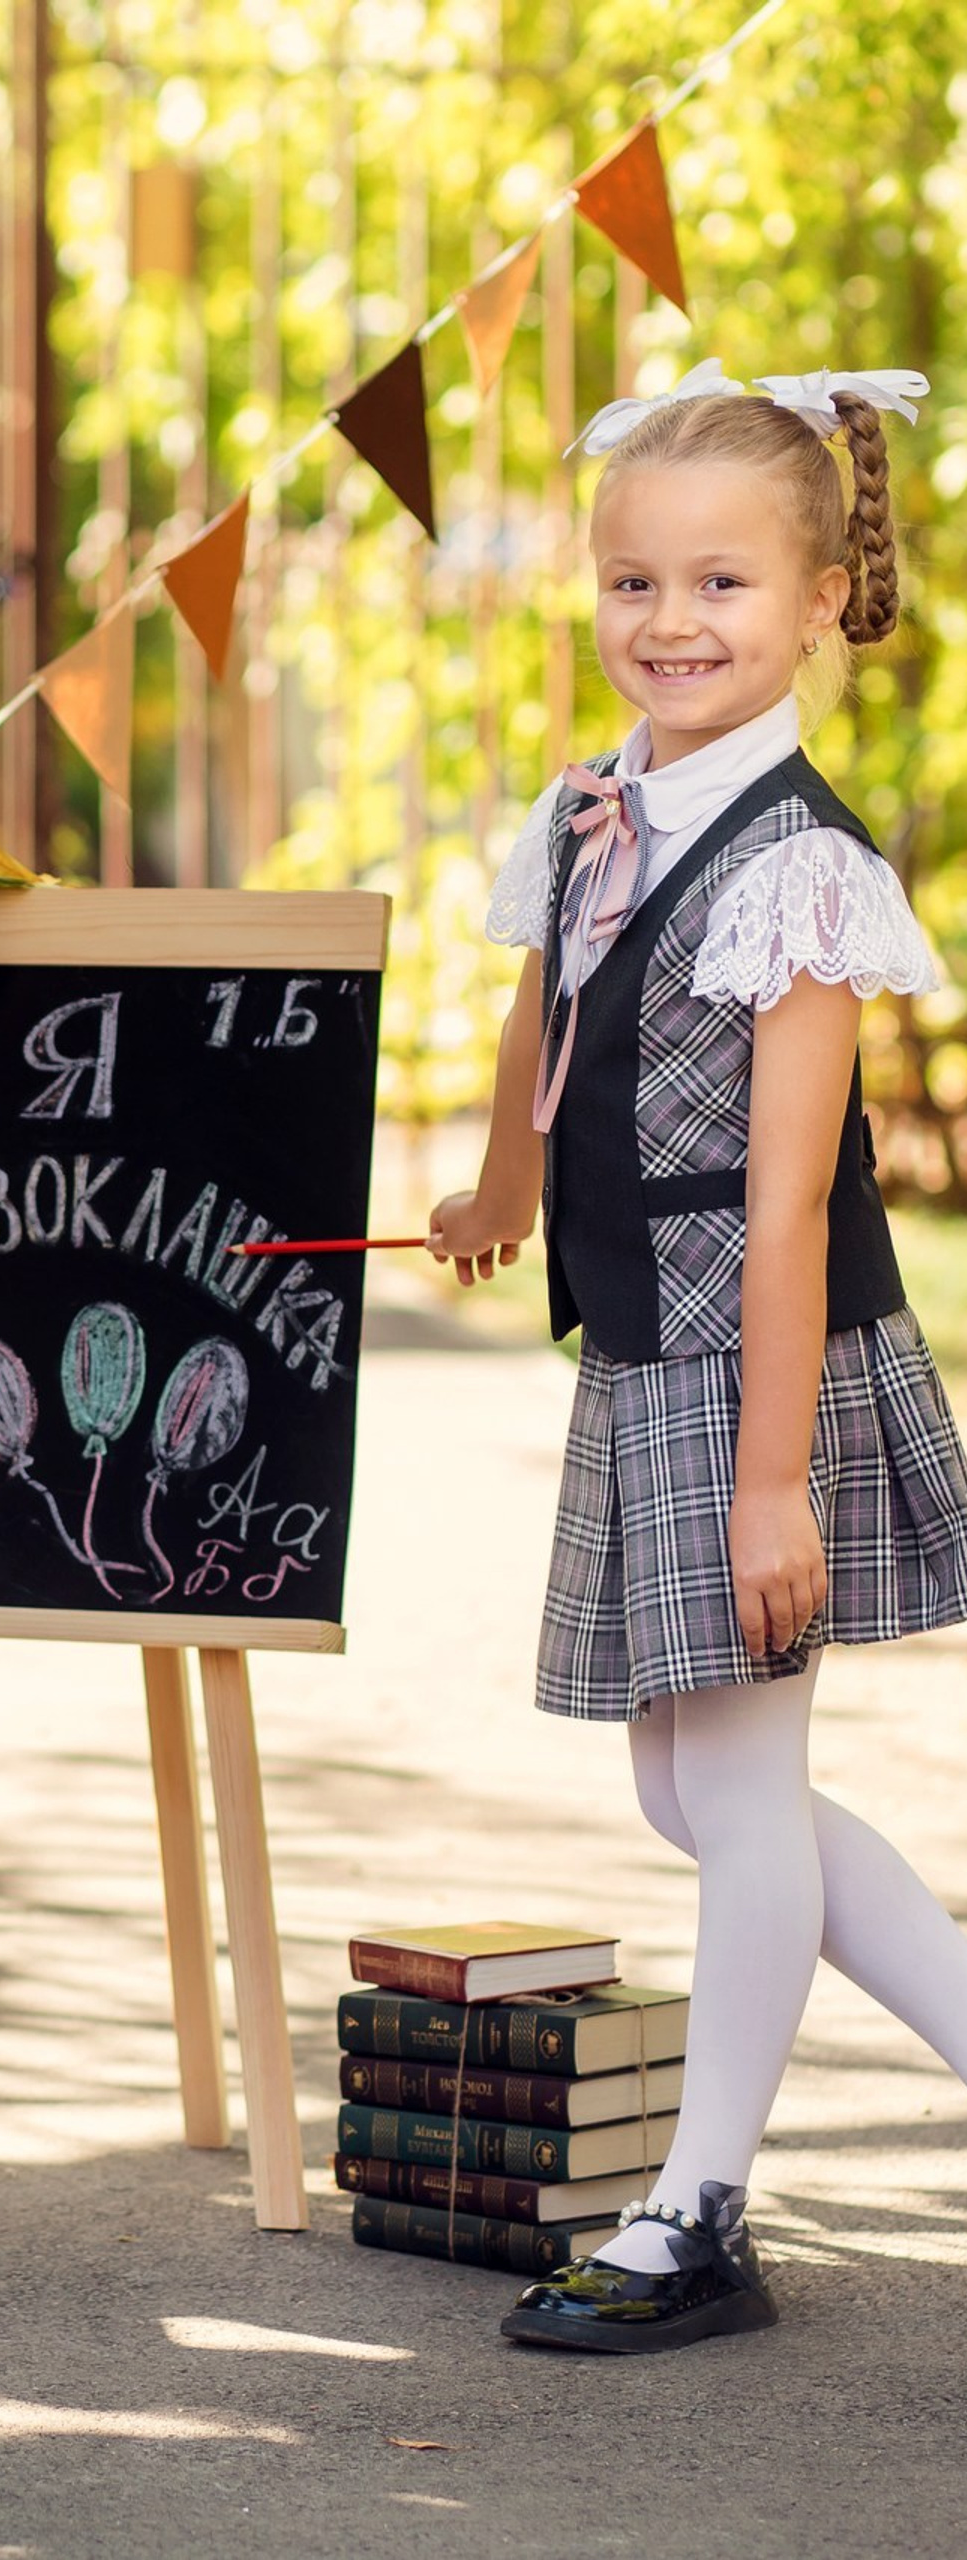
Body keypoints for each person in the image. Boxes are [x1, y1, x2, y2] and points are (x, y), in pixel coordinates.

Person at [426, 362, 967, 2354]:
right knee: (685, 1778)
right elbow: (540, 1011)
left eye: (718, 582)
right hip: (650, 1345)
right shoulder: (603, 806)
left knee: (736, 1787)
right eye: (630, 579)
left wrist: (769, 1478)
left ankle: (696, 2204)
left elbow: (789, 1203)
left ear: (819, 599)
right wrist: (494, 1181)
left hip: (760, 1362)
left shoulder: (797, 868)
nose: (666, 619)